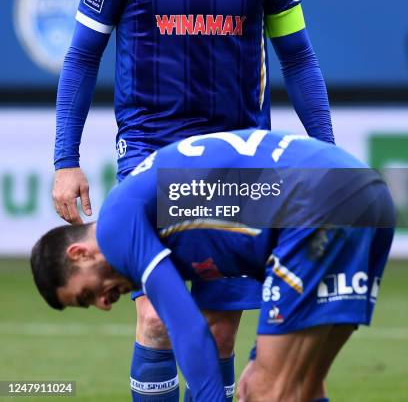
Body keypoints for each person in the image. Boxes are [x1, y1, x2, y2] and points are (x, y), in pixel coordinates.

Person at [52, 0, 334, 402]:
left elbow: (298, 59)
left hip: (237, 160)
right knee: (156, 317)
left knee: (220, 331)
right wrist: (65, 158)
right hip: (151, 154)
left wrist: (325, 150)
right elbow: (81, 59)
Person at [35, 129, 395, 402]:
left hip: (317, 206)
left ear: (79, 254)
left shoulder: (115, 227)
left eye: (85, 295)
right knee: (294, 388)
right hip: (364, 192)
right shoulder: (148, 205)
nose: (103, 303)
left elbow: (186, 325)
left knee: (266, 390)